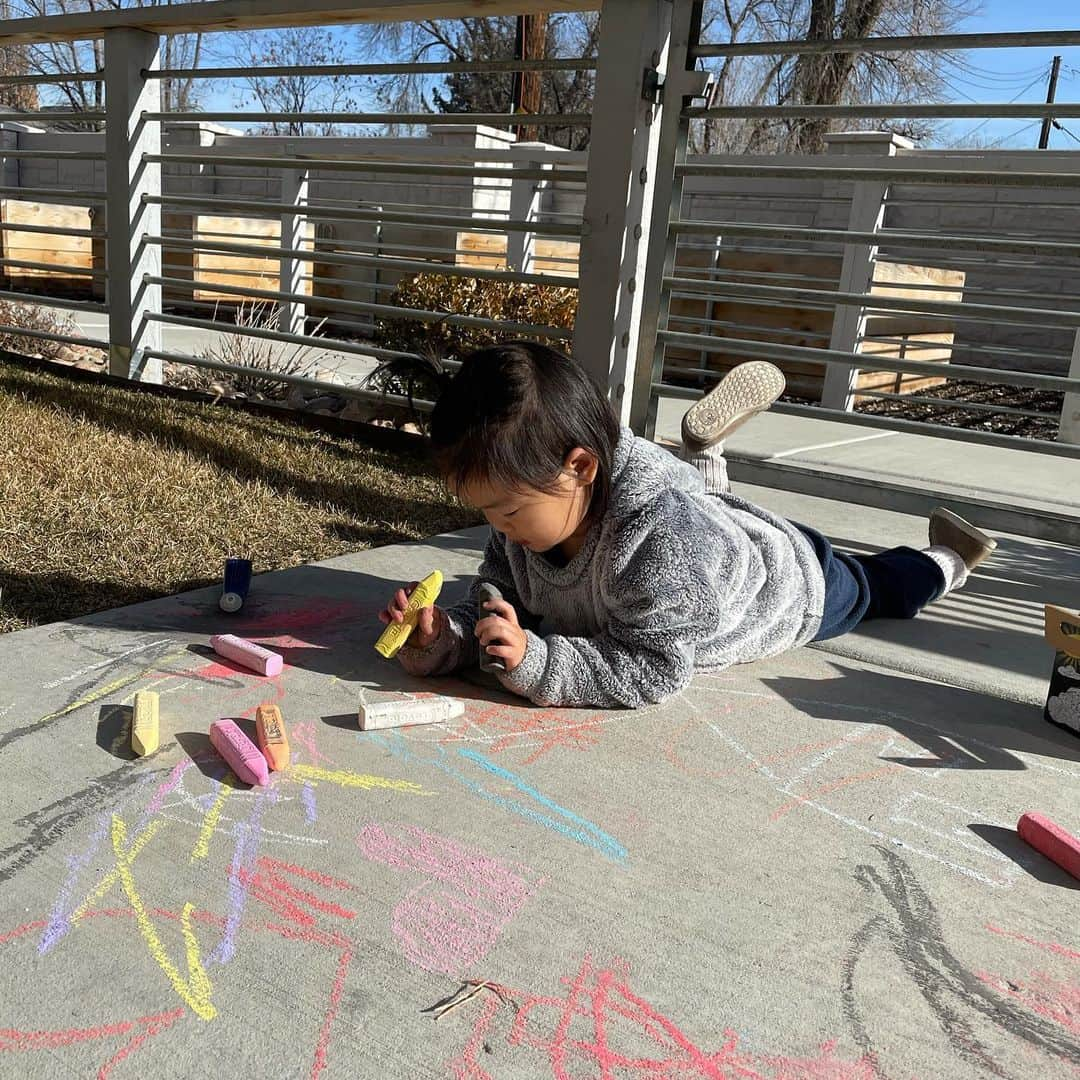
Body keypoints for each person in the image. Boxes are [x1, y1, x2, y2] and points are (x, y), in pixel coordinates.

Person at [378, 342, 995, 709]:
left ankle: (949, 560)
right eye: (486, 514)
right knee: (694, 512)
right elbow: (499, 599)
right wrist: (448, 638)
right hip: (696, 542)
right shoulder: (524, 512)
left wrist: (541, 667)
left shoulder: (660, 542)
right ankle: (702, 466)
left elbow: (654, 668)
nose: (499, 531)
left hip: (785, 583)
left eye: (508, 512)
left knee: (878, 587)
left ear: (580, 467)